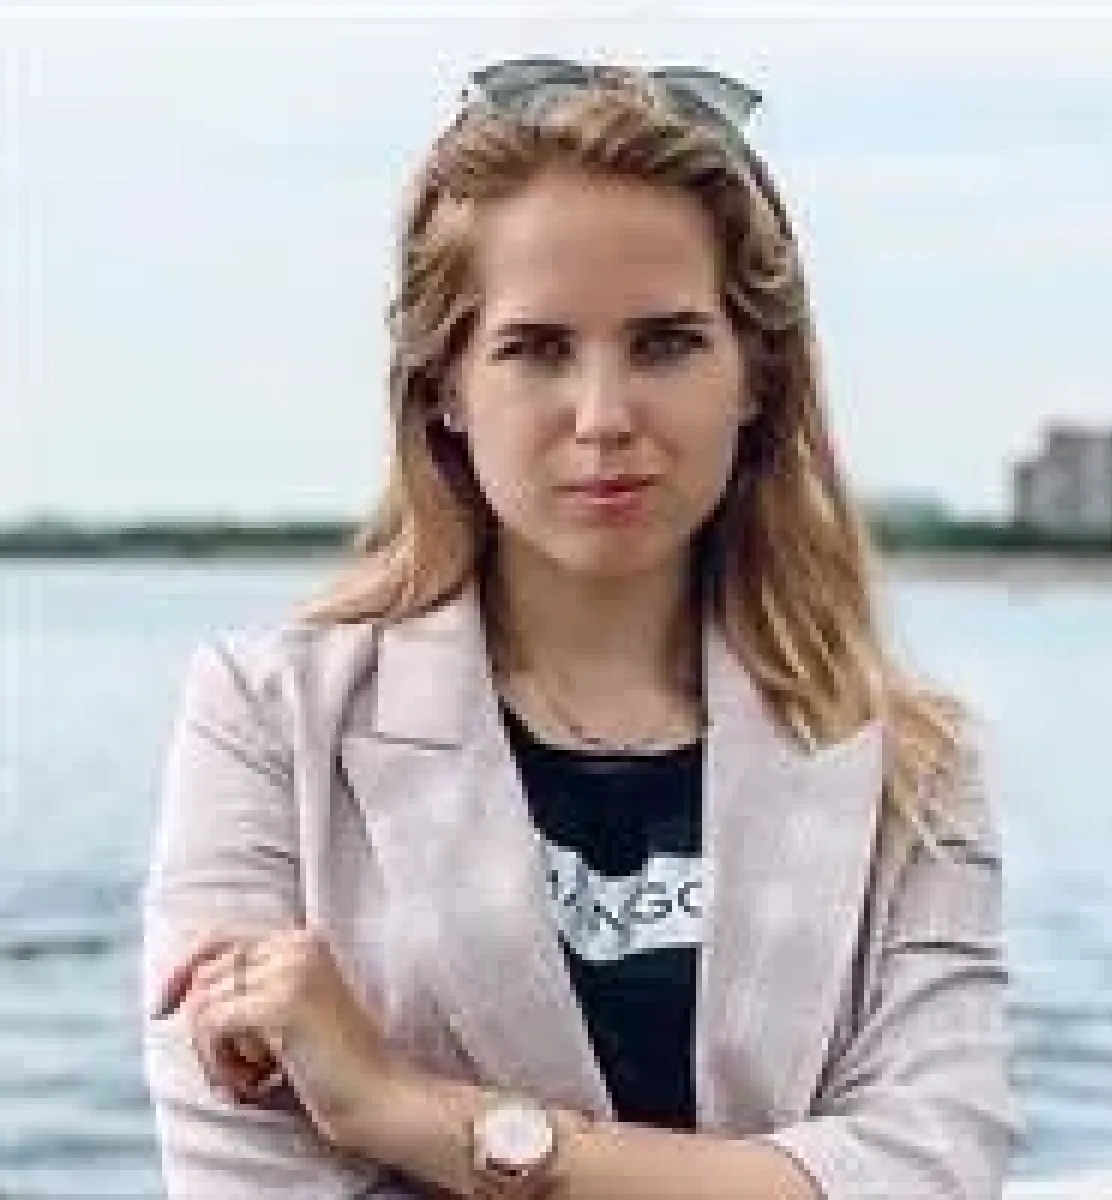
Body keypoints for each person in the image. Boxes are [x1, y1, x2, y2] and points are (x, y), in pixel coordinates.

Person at [141, 59, 1023, 1198]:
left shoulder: (907, 761)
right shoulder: (272, 720)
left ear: (755, 374)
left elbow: (937, 1169)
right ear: (446, 384)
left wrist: (407, 1114)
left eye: (665, 343)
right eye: (537, 348)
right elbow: (242, 1172)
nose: (604, 418)